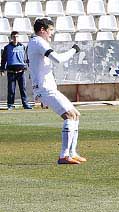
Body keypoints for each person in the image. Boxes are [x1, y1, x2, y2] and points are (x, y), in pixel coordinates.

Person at [26, 18, 84, 164]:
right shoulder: (38, 42)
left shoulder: (36, 42)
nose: (52, 34)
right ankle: (64, 155)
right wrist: (74, 50)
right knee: (70, 116)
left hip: (48, 87)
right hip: (44, 88)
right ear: (42, 30)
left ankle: (72, 152)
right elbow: (57, 59)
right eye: (50, 30)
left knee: (75, 115)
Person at [1, 31, 31, 110]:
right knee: (11, 89)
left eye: (17, 36)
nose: (15, 38)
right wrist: (2, 69)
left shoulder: (22, 46)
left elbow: (26, 58)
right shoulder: (7, 47)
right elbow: (3, 59)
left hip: (21, 71)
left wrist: (28, 67)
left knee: (23, 89)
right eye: (14, 37)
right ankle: (10, 104)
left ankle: (25, 104)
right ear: (11, 38)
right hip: (11, 72)